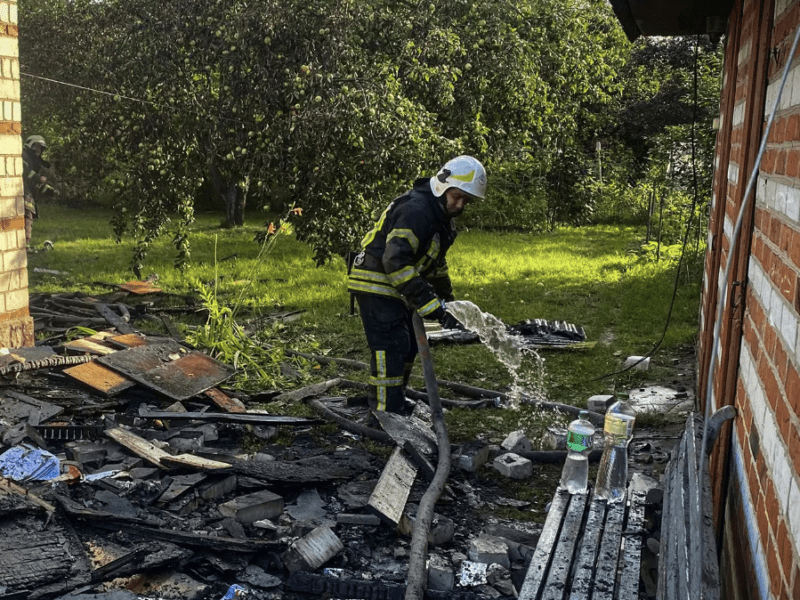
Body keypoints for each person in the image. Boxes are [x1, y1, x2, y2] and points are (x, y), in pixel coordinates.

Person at [347, 155, 487, 415]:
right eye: (457, 196)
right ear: (442, 186)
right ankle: (384, 411)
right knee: (390, 346)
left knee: (410, 343)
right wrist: (427, 302)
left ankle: (395, 398)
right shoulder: (417, 210)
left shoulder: (441, 219)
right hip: (375, 282)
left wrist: (449, 304)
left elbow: (436, 266)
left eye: (466, 201)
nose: (459, 205)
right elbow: (395, 260)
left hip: (396, 286)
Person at [22, 135, 58, 248]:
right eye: (36, 146)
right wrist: (38, 178)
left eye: (41, 148)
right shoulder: (24, 156)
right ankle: (24, 245)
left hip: (28, 192)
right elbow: (25, 171)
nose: (38, 150)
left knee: (29, 215)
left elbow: (36, 184)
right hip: (22, 190)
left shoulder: (35, 162)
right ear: (30, 145)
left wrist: (50, 191)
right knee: (28, 213)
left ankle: (25, 243)